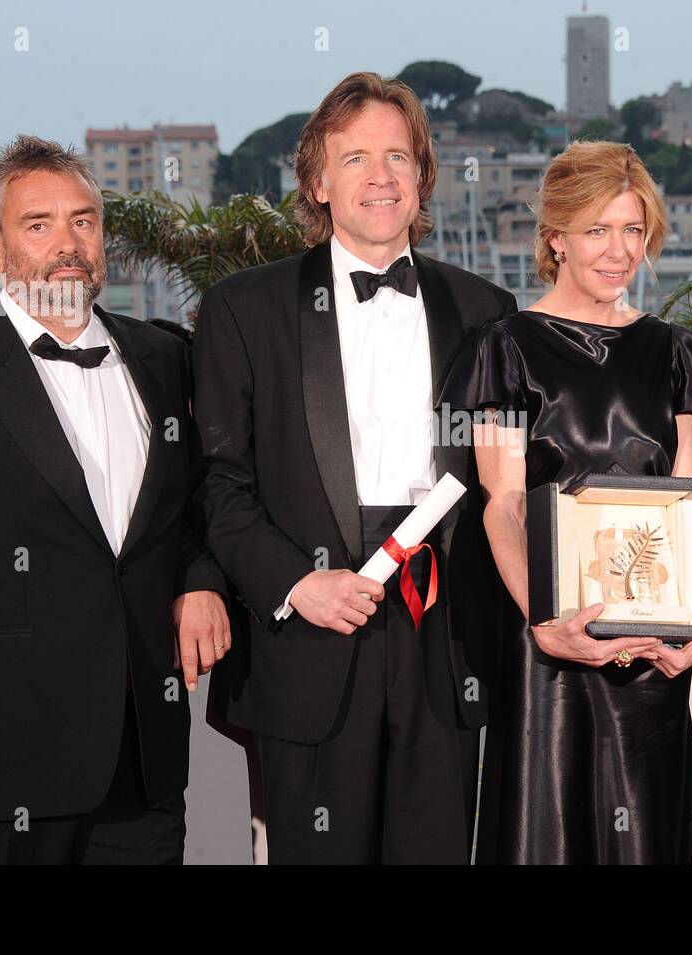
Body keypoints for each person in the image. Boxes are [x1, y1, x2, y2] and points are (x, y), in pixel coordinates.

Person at [0, 135, 229, 864]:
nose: (68, 243)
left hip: (145, 765)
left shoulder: (164, 357)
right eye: (39, 224)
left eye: (84, 221)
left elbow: (190, 513)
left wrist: (202, 578)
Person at [194, 72, 517, 864]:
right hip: (310, 631)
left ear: (421, 177)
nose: (381, 177)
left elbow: (510, 483)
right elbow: (220, 482)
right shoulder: (245, 308)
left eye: (398, 157)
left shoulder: (486, 310)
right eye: (356, 158)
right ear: (317, 182)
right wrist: (298, 584)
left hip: (444, 633)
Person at [438, 140, 692, 864]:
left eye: (633, 230)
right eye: (597, 229)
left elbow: (686, 501)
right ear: (555, 236)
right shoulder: (503, 348)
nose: (618, 250)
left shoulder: (674, 350)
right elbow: (501, 502)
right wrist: (545, 619)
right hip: (551, 652)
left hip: (651, 647)